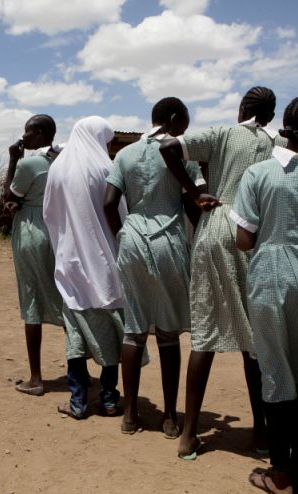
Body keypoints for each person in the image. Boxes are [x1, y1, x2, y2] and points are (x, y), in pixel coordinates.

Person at [159, 86, 285, 459]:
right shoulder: (277, 143)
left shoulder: (221, 134)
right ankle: (262, 434)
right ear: (271, 115)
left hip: (214, 227)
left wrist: (194, 193)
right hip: (251, 233)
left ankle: (189, 436)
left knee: (205, 332)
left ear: (243, 108)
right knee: (254, 337)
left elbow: (168, 146)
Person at [230, 96, 298, 494]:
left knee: (275, 374)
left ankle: (281, 473)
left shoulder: (258, 173)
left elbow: (243, 239)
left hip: (270, 282)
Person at [104, 97, 203, 438]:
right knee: (167, 331)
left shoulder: (125, 154)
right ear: (174, 119)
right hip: (169, 241)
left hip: (131, 239)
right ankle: (171, 417)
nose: (185, 133)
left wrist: (122, 233)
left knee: (133, 329)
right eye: (184, 125)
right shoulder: (181, 154)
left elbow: (108, 203)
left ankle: (130, 415)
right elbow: (195, 204)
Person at [43, 116, 125, 419]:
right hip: (104, 260)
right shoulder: (106, 168)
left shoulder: (58, 168)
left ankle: (77, 401)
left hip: (71, 261)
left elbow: (49, 213)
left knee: (75, 335)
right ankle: (108, 399)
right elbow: (120, 212)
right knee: (111, 332)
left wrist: (63, 242)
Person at [3, 114, 63, 397]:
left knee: (31, 303)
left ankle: (36, 378)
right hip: (60, 234)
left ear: (38, 133)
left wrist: (13, 159)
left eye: (27, 132)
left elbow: (9, 197)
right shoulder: (62, 161)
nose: (23, 137)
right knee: (68, 299)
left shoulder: (29, 164)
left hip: (32, 233)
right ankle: (81, 372)